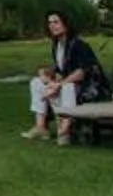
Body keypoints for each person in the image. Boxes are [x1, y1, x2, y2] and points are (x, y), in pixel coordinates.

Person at [25, 11, 107, 145]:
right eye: (50, 23)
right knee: (36, 82)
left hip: (89, 89)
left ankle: (64, 130)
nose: (52, 26)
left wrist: (59, 85)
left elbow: (82, 72)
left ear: (66, 25)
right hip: (70, 85)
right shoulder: (57, 45)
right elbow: (62, 70)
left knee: (67, 87)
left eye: (56, 22)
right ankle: (40, 127)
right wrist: (47, 76)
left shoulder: (78, 45)